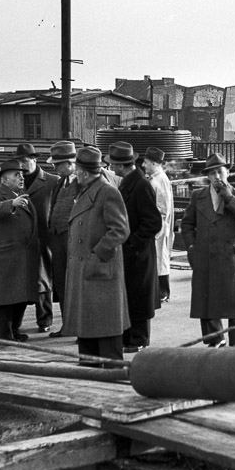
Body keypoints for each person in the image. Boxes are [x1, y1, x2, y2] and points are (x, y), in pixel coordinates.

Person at [181, 153, 235, 347]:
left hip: (230, 259)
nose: (216, 177)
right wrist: (191, 247)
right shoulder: (199, 196)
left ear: (228, 173)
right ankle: (215, 340)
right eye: (212, 173)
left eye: (220, 172)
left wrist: (229, 198)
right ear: (207, 176)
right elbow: (187, 223)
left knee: (234, 306)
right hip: (204, 257)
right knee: (206, 302)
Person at [63, 146, 131, 364]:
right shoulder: (84, 191)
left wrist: (97, 254)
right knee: (88, 329)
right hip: (87, 272)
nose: (74, 174)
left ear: (83, 172)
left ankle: (111, 379)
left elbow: (120, 230)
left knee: (106, 330)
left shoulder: (107, 192)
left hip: (99, 270)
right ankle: (90, 373)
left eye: (77, 170)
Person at [105, 142, 162, 353]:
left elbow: (153, 222)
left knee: (139, 298)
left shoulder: (140, 185)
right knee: (131, 296)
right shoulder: (130, 183)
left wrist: (132, 242)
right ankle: (130, 338)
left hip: (139, 253)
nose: (110, 168)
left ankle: (138, 339)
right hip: (131, 253)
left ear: (120, 166)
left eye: (112, 165)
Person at [0, 159, 40, 342]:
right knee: (5, 298)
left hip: (23, 255)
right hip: (5, 256)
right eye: (17, 175)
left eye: (22, 174)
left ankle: (14, 329)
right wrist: (11, 203)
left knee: (20, 296)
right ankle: (3, 335)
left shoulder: (23, 196)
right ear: (5, 179)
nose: (21, 178)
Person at [12, 143, 59, 333]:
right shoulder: (13, 181)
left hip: (43, 237)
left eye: (25, 160)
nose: (22, 165)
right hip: (20, 239)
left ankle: (45, 319)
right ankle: (16, 322)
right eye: (19, 161)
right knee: (20, 279)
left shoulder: (51, 181)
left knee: (43, 279)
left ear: (34, 160)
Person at [46, 140, 82, 338]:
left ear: (71, 163)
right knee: (61, 283)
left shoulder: (82, 182)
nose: (55, 168)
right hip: (57, 238)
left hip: (73, 239)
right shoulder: (60, 182)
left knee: (75, 283)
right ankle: (68, 325)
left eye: (59, 164)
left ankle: (79, 327)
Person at [142, 147, 175, 302]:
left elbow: (163, 208)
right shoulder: (154, 178)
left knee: (160, 257)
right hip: (156, 224)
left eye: (146, 162)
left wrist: (157, 228)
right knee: (158, 258)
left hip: (159, 226)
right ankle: (159, 291)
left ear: (155, 163)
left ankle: (163, 292)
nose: (143, 165)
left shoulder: (160, 180)